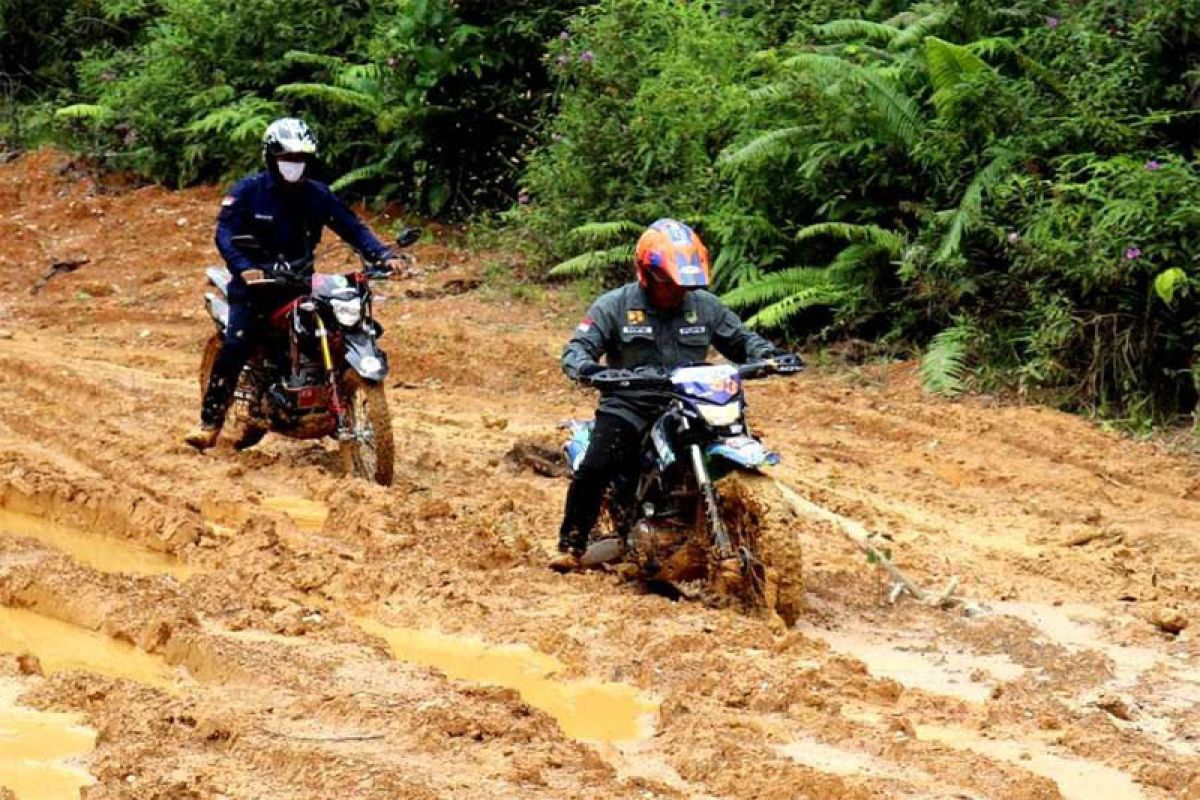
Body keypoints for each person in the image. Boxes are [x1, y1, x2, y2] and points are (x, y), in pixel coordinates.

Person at [554, 218, 801, 570]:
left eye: (684, 284)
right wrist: (586, 367)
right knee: (597, 463)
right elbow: (578, 347)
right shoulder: (614, 306)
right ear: (647, 274)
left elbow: (743, 340)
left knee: (737, 430)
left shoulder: (705, 306)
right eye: (669, 283)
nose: (677, 291)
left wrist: (771, 357)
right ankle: (572, 541)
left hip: (691, 400)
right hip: (631, 401)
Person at [185, 117, 406, 449]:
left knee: (334, 330)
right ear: (271, 158)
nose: (293, 165)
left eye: (300, 159)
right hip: (255, 288)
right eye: (287, 158)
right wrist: (245, 268)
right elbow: (225, 233)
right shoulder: (248, 192)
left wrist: (383, 255)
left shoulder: (317, 195)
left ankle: (326, 400)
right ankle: (210, 421)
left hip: (300, 284)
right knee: (237, 344)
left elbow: (353, 228)